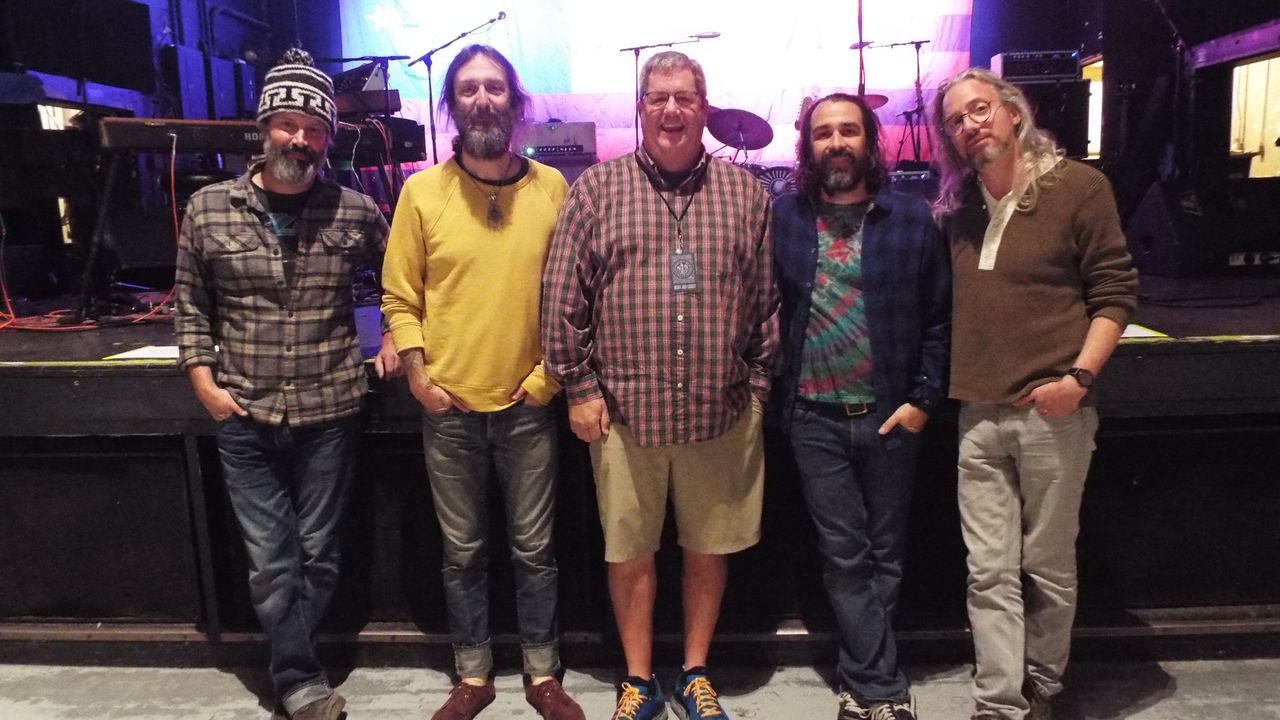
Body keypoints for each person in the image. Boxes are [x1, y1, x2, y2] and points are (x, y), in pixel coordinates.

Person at [541, 50, 779, 720]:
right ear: (640, 108)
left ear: (705, 108)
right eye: (658, 98)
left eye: (685, 98)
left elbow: (766, 302)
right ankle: (639, 680)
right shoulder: (597, 190)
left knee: (708, 549)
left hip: (720, 411)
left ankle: (695, 673)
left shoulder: (746, 195)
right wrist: (579, 388)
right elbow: (561, 298)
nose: (671, 110)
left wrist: (758, 388)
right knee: (630, 554)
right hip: (623, 413)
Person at [174, 48, 400, 720]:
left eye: (315, 128)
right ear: (264, 125)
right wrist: (203, 382)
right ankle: (300, 682)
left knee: (319, 556)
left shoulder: (355, 210)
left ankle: (293, 672)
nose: (300, 139)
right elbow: (191, 305)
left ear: (328, 137)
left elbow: (406, 279)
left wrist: (395, 336)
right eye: (289, 124)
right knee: (272, 563)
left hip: (331, 408)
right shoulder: (208, 209)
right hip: (243, 411)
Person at [380, 45, 584, 720]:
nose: (482, 100)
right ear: (451, 105)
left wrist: (548, 380)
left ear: (515, 103)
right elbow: (399, 296)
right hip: (449, 408)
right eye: (468, 89)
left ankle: (542, 672)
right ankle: (472, 674)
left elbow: (573, 296)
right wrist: (418, 375)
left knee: (536, 551)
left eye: (495, 87)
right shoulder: (421, 193)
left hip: (528, 405)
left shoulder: (553, 190)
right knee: (462, 553)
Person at [931, 68, 1138, 720]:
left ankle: (1043, 688)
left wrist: (1078, 381)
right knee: (988, 572)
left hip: (1053, 414)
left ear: (1013, 112)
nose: (970, 125)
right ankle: (999, 703)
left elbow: (1115, 294)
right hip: (977, 414)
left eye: (980, 109)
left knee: (1047, 567)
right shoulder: (958, 210)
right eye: (956, 120)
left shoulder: (1078, 188)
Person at [772, 93, 951, 720]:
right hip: (812, 419)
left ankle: (861, 682)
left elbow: (939, 319)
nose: (836, 142)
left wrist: (923, 401)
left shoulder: (912, 220)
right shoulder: (785, 218)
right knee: (845, 558)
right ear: (808, 146)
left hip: (890, 417)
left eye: (848, 130)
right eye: (823, 133)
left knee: (886, 556)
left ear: (871, 142)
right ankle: (883, 690)